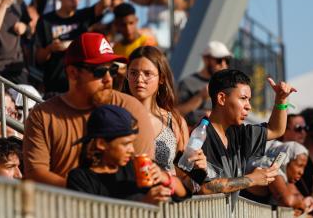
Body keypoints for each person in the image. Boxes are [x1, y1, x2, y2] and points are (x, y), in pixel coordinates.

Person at [23, 32, 156, 188]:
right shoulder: (43, 115)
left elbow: (142, 171)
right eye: (99, 71)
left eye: (112, 70)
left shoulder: (132, 109)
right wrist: (87, 193)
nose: (109, 79)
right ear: (73, 73)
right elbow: (36, 174)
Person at [196, 69, 297, 210]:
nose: (248, 106)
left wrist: (281, 99)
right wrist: (252, 179)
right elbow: (205, 187)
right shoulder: (200, 136)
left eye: (249, 99)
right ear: (221, 99)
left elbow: (276, 130)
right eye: (243, 98)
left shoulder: (241, 133)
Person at [123, 46, 207, 195]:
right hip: (128, 201)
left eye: (147, 73)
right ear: (127, 75)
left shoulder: (174, 121)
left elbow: (184, 177)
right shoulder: (117, 115)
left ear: (161, 78)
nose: (139, 79)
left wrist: (197, 168)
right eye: (133, 73)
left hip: (168, 205)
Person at [67, 105, 172, 204]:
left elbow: (183, 192)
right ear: (101, 144)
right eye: (125, 144)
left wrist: (164, 178)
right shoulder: (81, 179)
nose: (132, 150)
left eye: (132, 142)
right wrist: (143, 205)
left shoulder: (136, 169)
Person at [34, 0, 111, 99]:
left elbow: (105, 4)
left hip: (82, 82)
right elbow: (38, 58)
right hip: (55, 84)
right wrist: (50, 48)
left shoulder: (82, 16)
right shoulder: (46, 20)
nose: (75, 1)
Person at [244, 141, 313, 217]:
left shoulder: (285, 176)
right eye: (299, 165)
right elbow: (288, 200)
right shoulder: (271, 167)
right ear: (287, 161)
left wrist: (300, 203)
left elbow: (296, 197)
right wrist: (302, 204)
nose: (301, 172)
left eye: (304, 167)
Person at [176, 41, 232, 128]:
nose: (223, 64)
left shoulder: (226, 87)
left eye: (227, 60)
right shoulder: (187, 82)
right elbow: (176, 113)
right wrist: (200, 97)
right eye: (219, 60)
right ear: (206, 59)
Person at [281, 113, 313, 211]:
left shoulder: (304, 155)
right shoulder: (279, 152)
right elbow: (287, 187)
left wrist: (311, 202)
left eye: (306, 128)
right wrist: (303, 203)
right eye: (299, 128)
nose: (303, 132)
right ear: (284, 129)